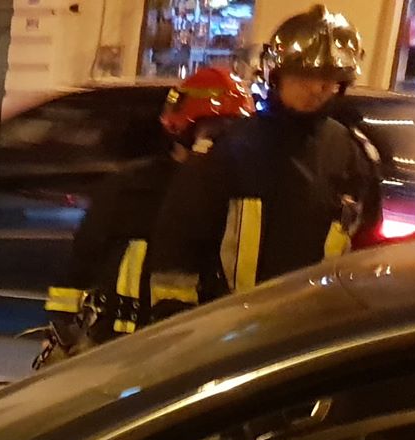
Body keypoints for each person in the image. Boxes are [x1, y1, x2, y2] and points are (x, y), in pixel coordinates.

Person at [149, 5, 382, 318]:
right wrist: (178, 325)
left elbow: (366, 253)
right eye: (305, 76)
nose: (317, 89)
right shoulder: (226, 150)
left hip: (317, 329)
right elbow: (179, 247)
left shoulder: (354, 156)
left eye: (329, 79)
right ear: (277, 75)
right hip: (229, 328)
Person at [36, 68, 254, 367]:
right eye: (214, 130)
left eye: (230, 131)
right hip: (112, 346)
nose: (221, 142)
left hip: (192, 348)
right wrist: (62, 330)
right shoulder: (130, 187)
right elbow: (81, 261)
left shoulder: (239, 192)